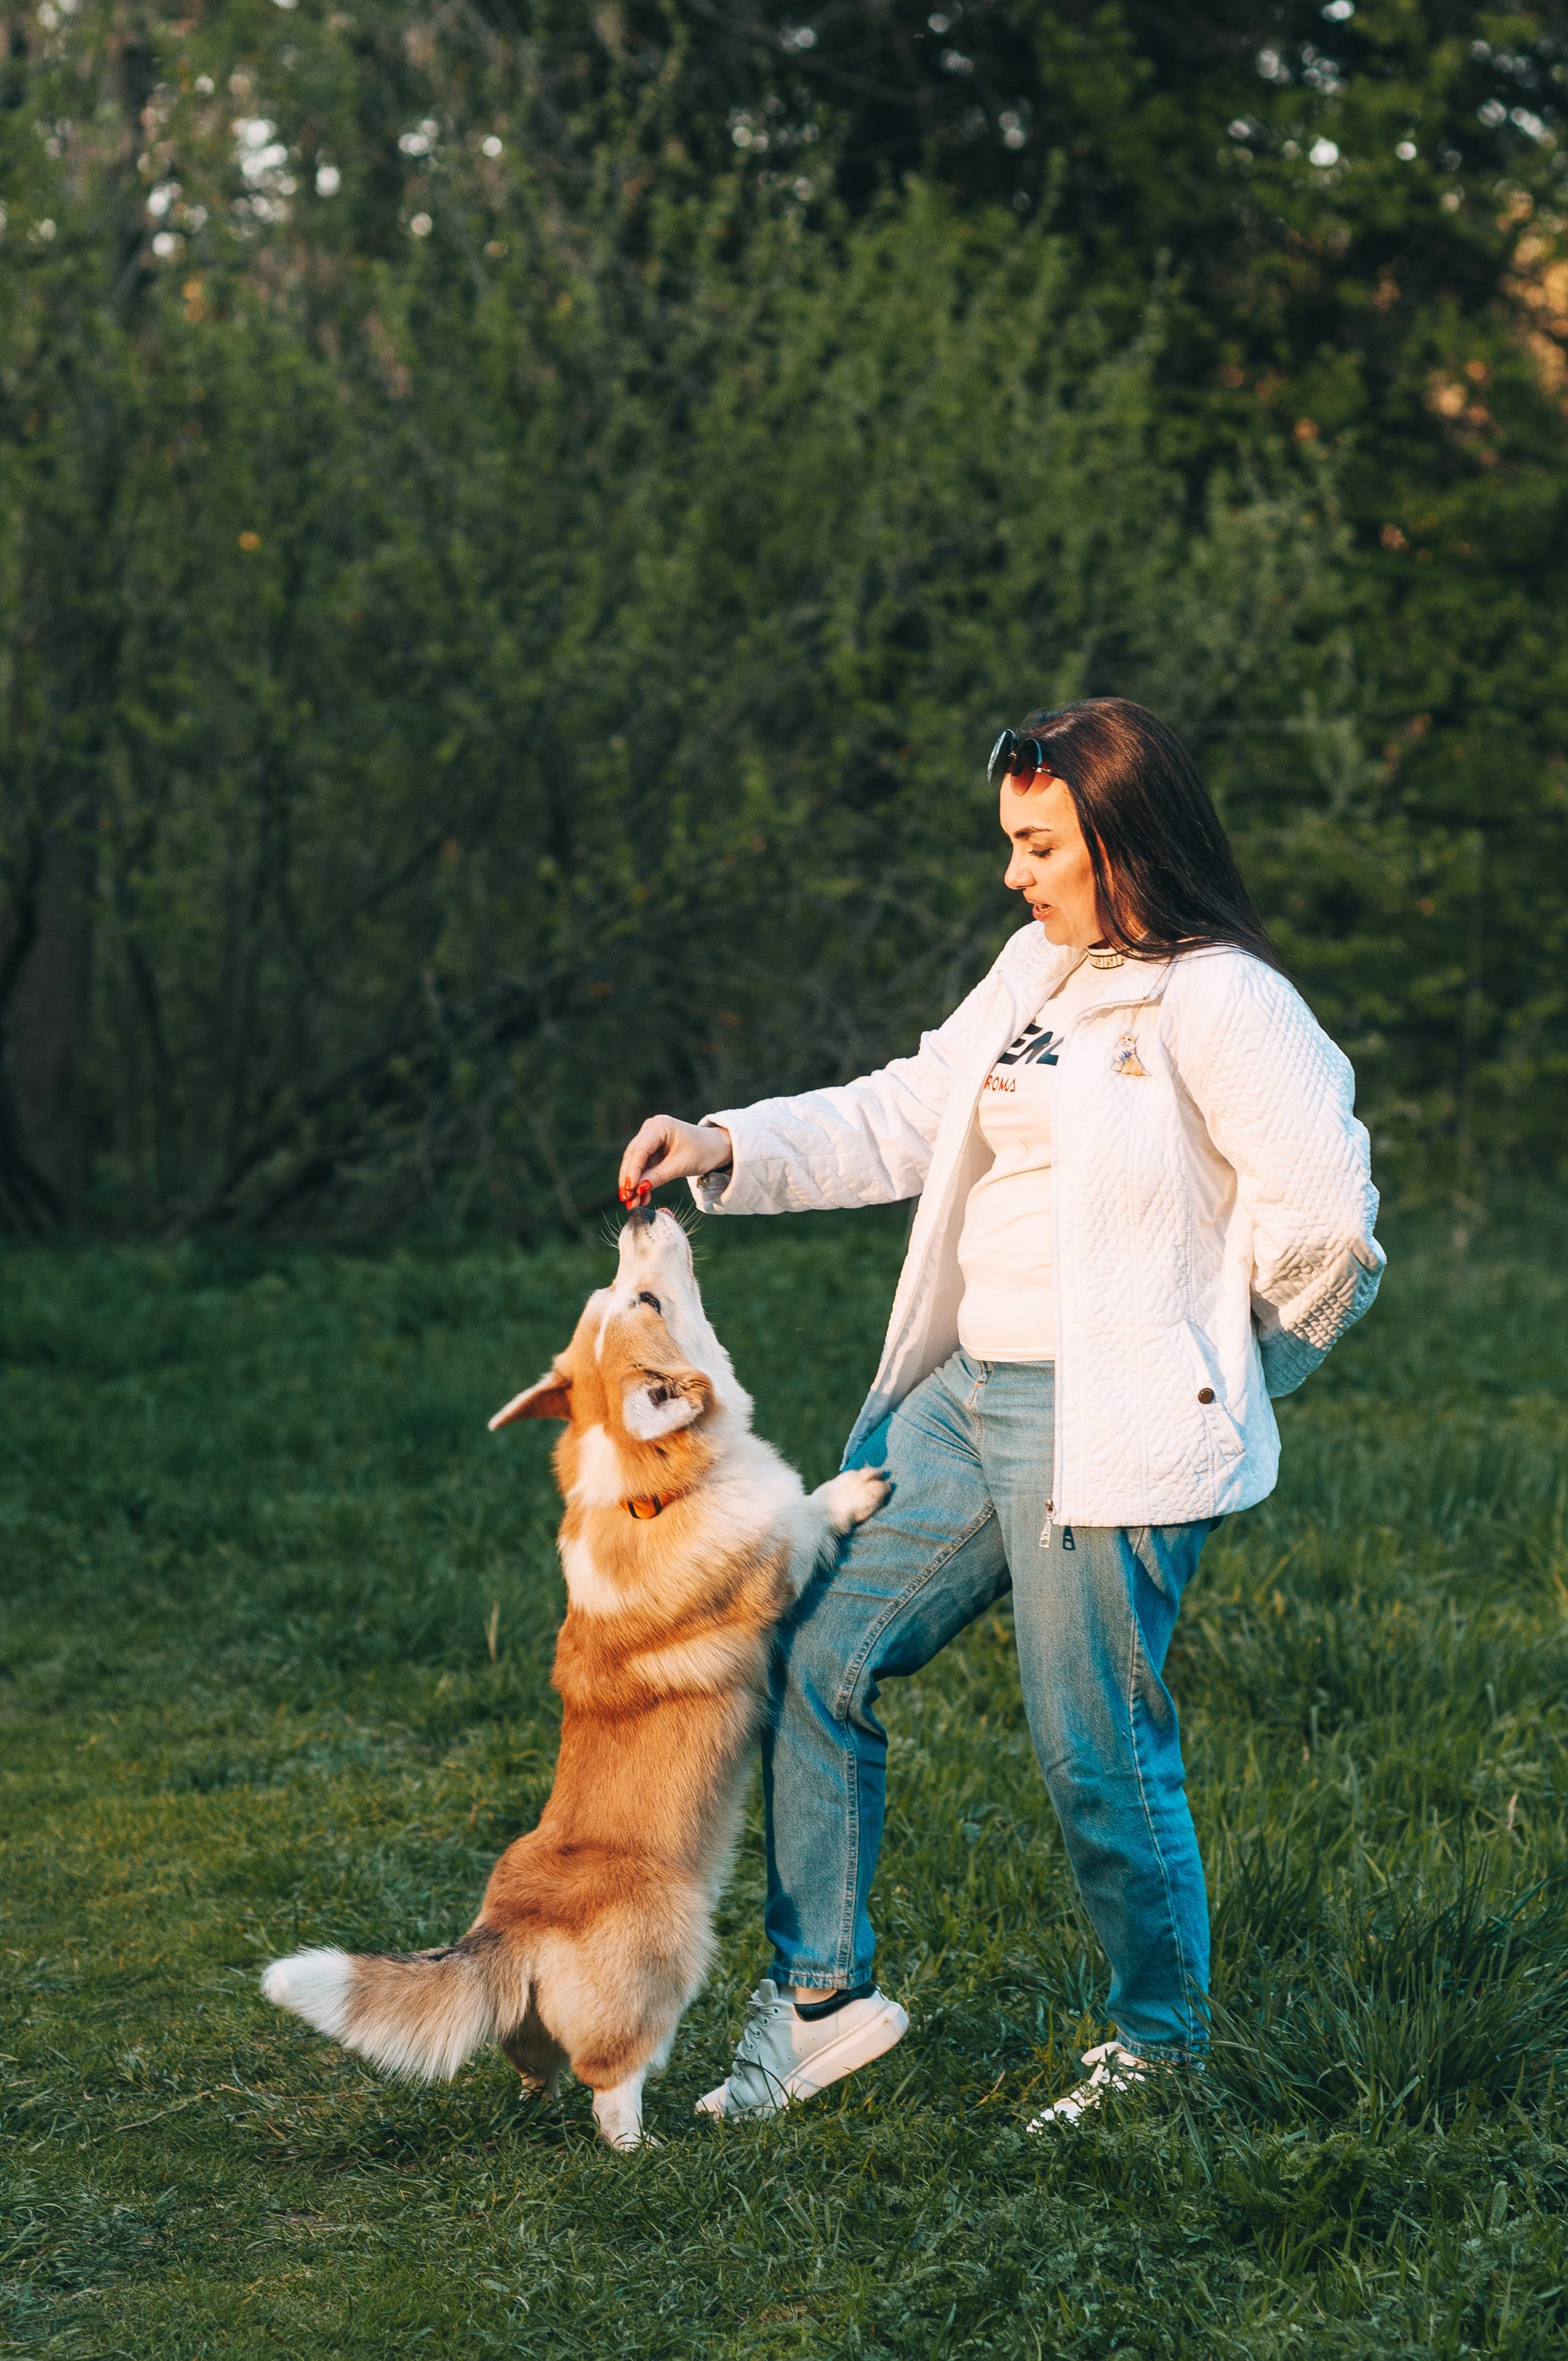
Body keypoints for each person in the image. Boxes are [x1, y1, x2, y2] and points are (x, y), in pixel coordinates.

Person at [617, 697, 1383, 2128]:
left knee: (1094, 1747)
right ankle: (821, 2001)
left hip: (1105, 1425)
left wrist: (1215, 1376)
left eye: (1037, 846)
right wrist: (728, 1143)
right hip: (967, 1402)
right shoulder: (1036, 968)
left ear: (1120, 839)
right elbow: (910, 1110)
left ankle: (1159, 2050)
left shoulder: (1219, 997)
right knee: (803, 1646)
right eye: (1011, 844)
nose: (1014, 875)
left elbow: (1329, 1222)